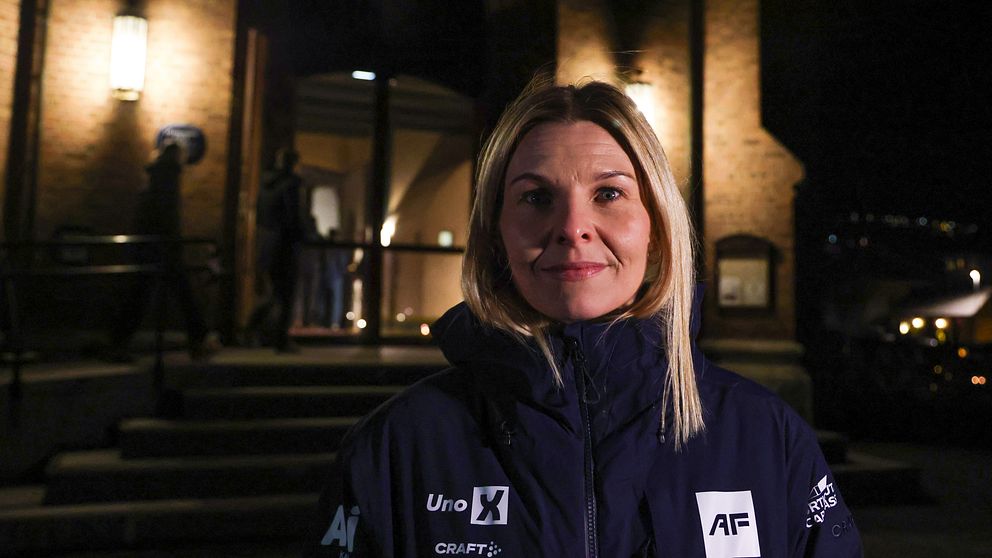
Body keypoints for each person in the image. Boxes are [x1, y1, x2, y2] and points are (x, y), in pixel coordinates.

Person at [303, 80, 863, 557]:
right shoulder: (398, 446)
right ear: (496, 234)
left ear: (656, 226)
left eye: (609, 193)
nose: (573, 227)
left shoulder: (766, 437)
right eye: (535, 197)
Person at [108, 140, 218, 362]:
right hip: (164, 246)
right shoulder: (169, 177)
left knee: (141, 296)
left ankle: (119, 342)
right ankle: (198, 339)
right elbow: (168, 215)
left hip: (150, 246)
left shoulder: (154, 177)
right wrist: (173, 241)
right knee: (180, 295)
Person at [248, 147, 306, 352]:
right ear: (294, 164)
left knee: (275, 293)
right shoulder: (291, 185)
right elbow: (293, 217)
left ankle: (251, 329)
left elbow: (262, 215)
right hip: (285, 245)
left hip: (269, 243)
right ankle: (280, 339)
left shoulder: (266, 185)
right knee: (285, 294)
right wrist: (302, 235)